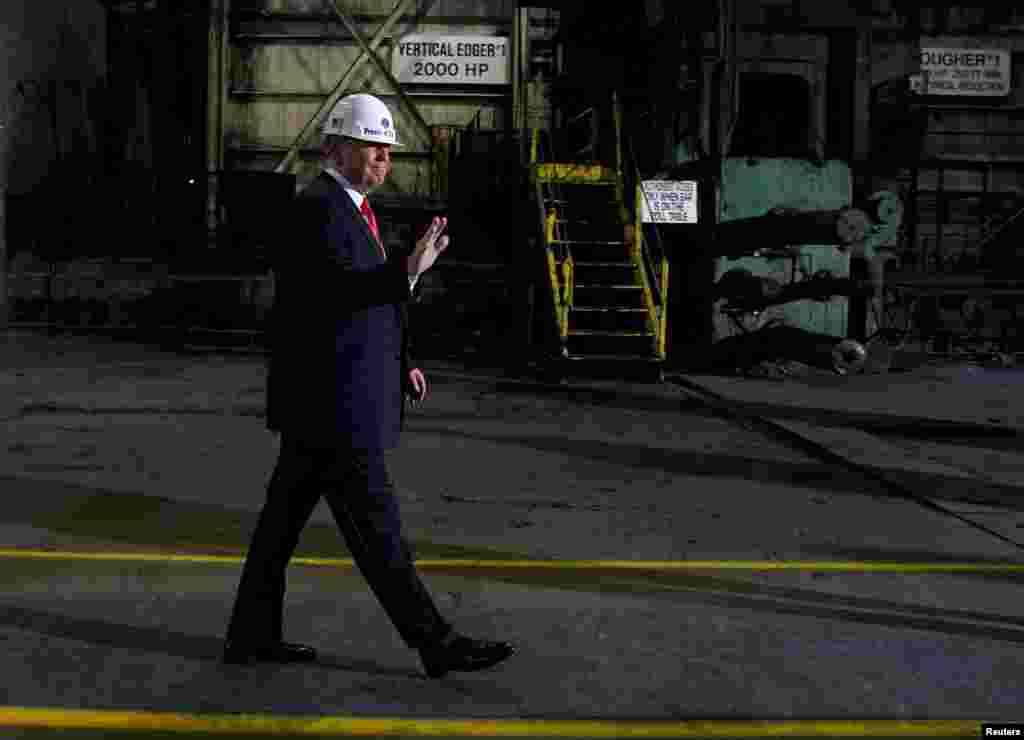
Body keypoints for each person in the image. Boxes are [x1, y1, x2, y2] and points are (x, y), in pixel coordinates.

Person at [222, 93, 515, 679]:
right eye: (372, 145)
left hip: (329, 398)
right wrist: (408, 270)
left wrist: (402, 356)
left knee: (279, 529)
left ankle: (251, 635)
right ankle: (436, 643)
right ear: (337, 148)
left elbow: (365, 303)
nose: (385, 156)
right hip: (336, 404)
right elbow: (332, 296)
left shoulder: (352, 209)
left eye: (387, 147)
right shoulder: (319, 210)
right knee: (379, 533)